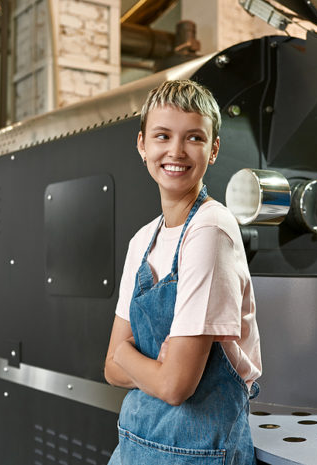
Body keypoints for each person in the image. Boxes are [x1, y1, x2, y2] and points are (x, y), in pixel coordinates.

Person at [104, 79, 262, 465]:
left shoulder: (210, 229)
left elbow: (176, 386)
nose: (175, 151)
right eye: (162, 136)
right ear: (142, 144)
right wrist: (151, 364)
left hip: (199, 455)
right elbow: (110, 366)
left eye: (193, 138)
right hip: (133, 445)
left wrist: (133, 356)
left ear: (213, 149)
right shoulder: (142, 241)